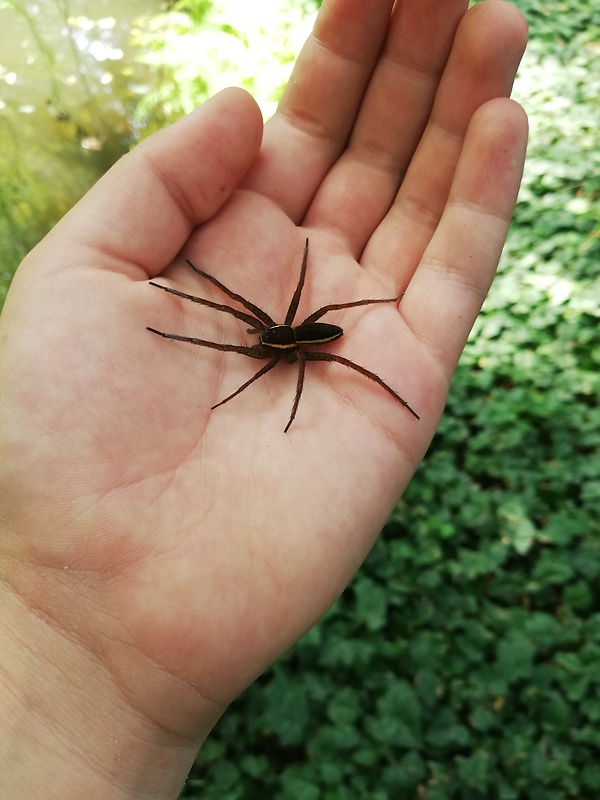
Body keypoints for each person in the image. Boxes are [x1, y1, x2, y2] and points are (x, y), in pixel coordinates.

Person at [0, 0, 528, 796]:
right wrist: (191, 321)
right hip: (298, 333)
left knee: (247, 328)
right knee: (225, 318)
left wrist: (304, 347)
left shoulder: (291, 350)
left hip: (315, 333)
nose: (260, 350)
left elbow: (279, 343)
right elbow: (239, 330)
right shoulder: (273, 340)